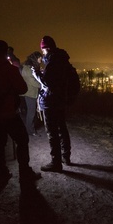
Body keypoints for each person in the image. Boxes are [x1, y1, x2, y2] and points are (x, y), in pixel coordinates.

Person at [0, 40, 40, 183]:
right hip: (8, 112)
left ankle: (1, 173)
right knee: (22, 140)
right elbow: (22, 89)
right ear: (6, 51)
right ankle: (25, 172)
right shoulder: (10, 69)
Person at [31, 36, 72, 172]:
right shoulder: (62, 60)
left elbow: (47, 83)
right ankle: (66, 156)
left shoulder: (53, 61)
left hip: (50, 101)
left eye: (43, 51)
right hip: (60, 100)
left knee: (52, 132)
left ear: (46, 48)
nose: (42, 54)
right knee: (61, 128)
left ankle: (56, 162)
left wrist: (36, 72)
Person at [20, 51, 42, 136]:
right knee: (31, 112)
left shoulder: (29, 67)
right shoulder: (28, 69)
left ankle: (30, 130)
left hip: (30, 92)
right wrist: (42, 85)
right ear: (36, 58)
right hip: (30, 93)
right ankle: (30, 131)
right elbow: (32, 81)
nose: (41, 59)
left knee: (31, 112)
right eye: (40, 58)